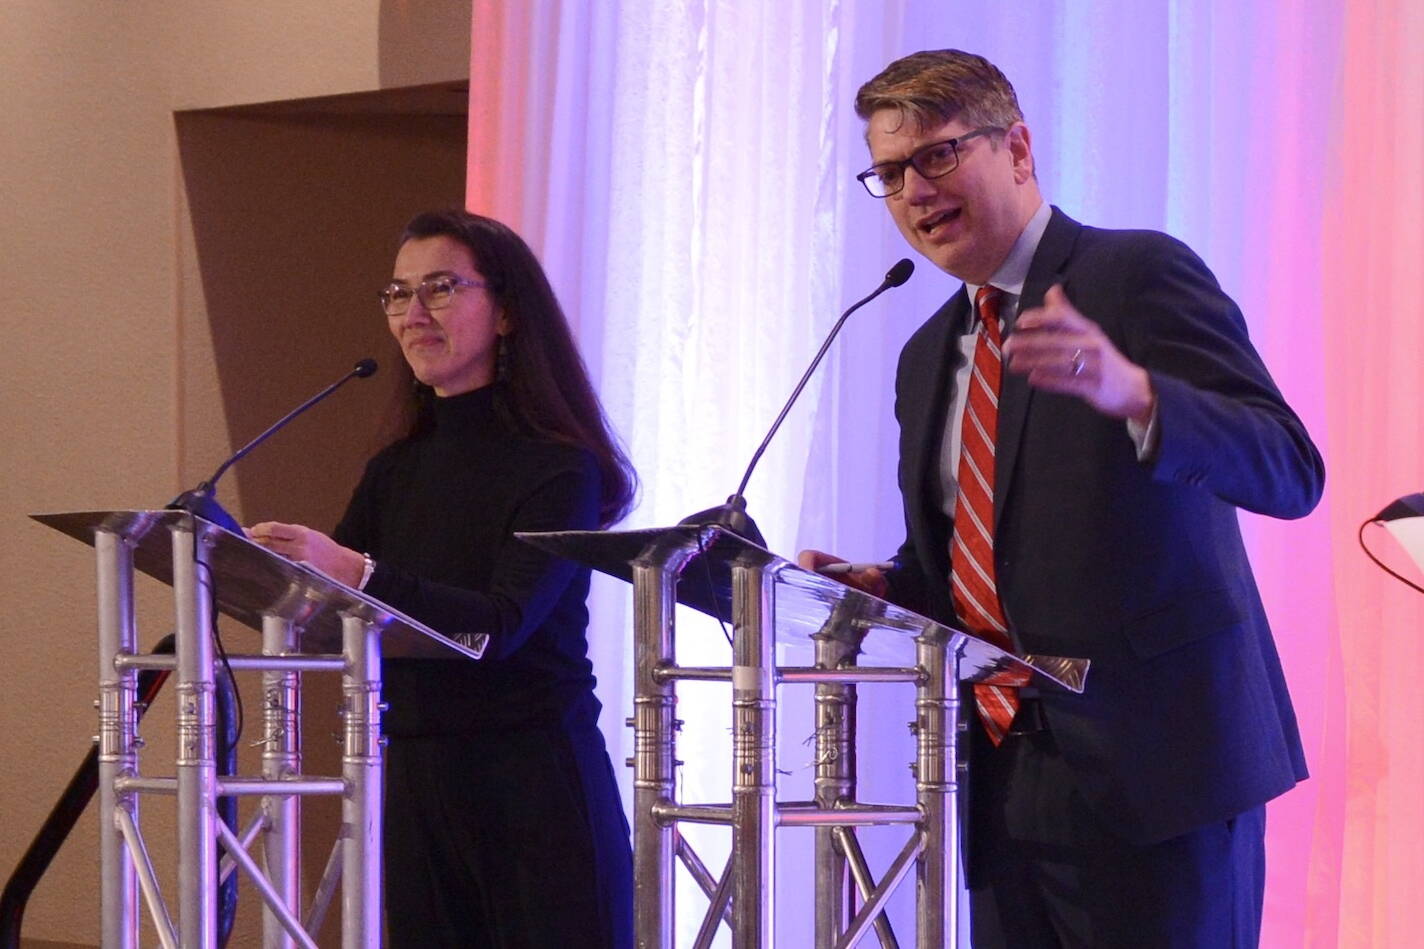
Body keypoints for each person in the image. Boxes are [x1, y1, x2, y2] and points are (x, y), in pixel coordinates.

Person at [800, 50, 1324, 947]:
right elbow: (977, 555)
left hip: (1159, 774)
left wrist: (1142, 395)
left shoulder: (1136, 276)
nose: (914, 192)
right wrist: (885, 584)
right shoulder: (926, 354)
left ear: (1018, 148)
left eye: (936, 155)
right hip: (1002, 779)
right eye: (889, 173)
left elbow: (1287, 467)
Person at [248, 209, 636, 948]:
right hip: (418, 776)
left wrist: (355, 568)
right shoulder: (396, 468)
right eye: (397, 294)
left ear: (509, 312)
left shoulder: (558, 465)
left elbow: (498, 625)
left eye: (439, 288)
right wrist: (256, 566)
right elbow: (332, 607)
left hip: (534, 784)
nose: (412, 314)